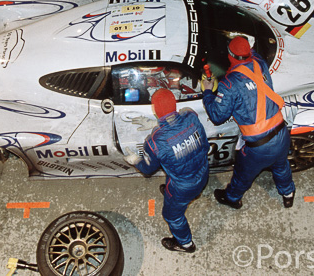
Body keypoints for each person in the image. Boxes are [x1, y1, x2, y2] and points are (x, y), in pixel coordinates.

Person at [201, 36, 295, 209]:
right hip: (281, 132)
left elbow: (217, 116)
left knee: (243, 175)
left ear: (230, 55)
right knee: (281, 166)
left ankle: (231, 198)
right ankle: (288, 193)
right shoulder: (259, 62)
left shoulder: (229, 84)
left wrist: (208, 93)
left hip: (259, 146)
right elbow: (251, 52)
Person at [123, 88, 209, 253]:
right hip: (203, 172)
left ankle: (185, 244)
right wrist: (156, 124)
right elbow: (195, 138)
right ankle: (194, 193)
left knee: (172, 216)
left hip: (183, 187)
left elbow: (148, 169)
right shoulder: (191, 116)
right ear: (175, 104)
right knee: (178, 171)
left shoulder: (154, 142)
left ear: (154, 110)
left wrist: (136, 160)